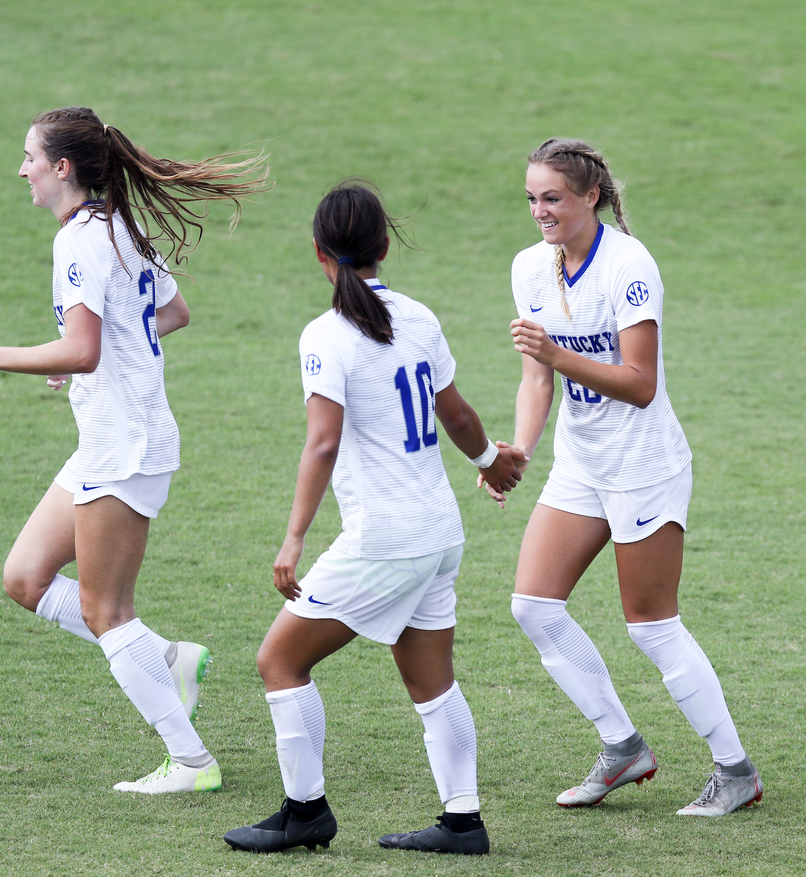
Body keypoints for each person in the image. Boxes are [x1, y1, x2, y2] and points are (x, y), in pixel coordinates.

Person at [0, 106, 268, 793]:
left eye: (29, 157)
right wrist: (90, 351)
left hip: (126, 445)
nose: (20, 169)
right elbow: (170, 313)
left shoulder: (79, 241)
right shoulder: (119, 226)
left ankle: (192, 761)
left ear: (62, 168)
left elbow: (85, 349)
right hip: (110, 440)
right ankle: (168, 658)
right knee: (25, 576)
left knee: (104, 612)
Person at [222, 181, 521, 856]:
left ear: (319, 256)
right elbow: (459, 414)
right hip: (439, 534)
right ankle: (463, 821)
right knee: (430, 681)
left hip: (385, 541)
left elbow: (323, 441)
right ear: (385, 247)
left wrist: (294, 536)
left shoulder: (326, 335)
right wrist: (489, 460)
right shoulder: (417, 316)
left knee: (279, 660)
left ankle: (306, 813)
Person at [491, 138, 760, 817]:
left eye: (552, 197)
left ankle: (736, 770)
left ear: (590, 197)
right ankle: (622, 746)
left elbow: (640, 384)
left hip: (643, 466)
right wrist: (520, 448)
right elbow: (535, 375)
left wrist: (556, 353)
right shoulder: (529, 268)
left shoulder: (629, 266)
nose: (540, 211)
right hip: (581, 463)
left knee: (651, 625)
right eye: (531, 198)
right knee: (534, 605)